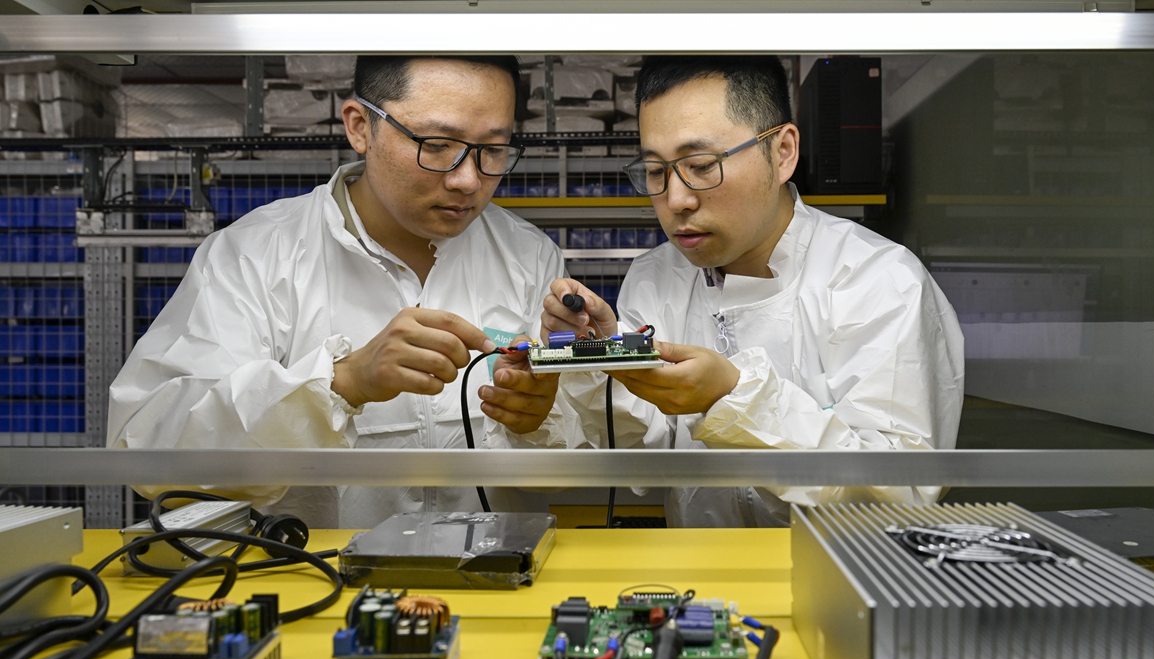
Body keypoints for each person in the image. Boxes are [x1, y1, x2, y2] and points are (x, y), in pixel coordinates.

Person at [108, 55, 581, 528]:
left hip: (496, 576)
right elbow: (149, 450)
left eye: (493, 150)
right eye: (437, 145)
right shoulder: (254, 255)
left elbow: (587, 447)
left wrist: (536, 422)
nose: (468, 180)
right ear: (360, 127)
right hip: (314, 587)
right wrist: (339, 384)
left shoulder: (528, 256)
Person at [543, 56, 965, 528]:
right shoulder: (656, 277)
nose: (676, 200)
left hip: (841, 581)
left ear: (782, 152)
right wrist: (604, 362)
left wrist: (733, 397)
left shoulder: (878, 282)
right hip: (700, 579)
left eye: (701, 165)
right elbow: (647, 452)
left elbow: (899, 493)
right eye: (655, 172)